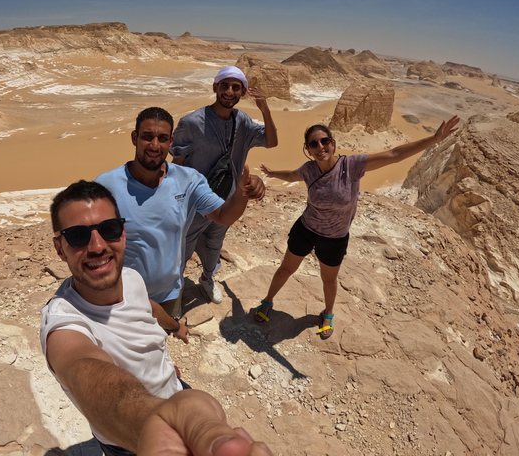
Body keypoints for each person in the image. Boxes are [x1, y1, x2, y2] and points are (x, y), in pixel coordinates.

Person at [40, 181, 272, 456]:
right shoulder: (62, 322)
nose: (98, 246)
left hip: (174, 389)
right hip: (127, 439)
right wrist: (153, 420)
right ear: (59, 248)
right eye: (78, 236)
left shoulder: (130, 277)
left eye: (109, 229)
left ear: (123, 234)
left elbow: (148, 307)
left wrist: (175, 328)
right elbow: (82, 368)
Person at [255, 116, 460, 339]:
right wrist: (273, 174)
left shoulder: (351, 166)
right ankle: (267, 301)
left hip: (335, 238)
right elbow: (293, 175)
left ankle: (328, 313)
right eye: (314, 144)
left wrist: (434, 139)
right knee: (286, 269)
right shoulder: (309, 170)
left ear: (332, 143)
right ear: (308, 150)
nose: (320, 147)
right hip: (306, 229)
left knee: (329, 280)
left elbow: (394, 155)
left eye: (324, 141)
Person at [96, 107, 264, 322]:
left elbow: (223, 216)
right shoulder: (105, 186)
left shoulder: (188, 180)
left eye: (162, 138)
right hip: (121, 297)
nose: (155, 146)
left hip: (169, 294)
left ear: (171, 142)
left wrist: (242, 193)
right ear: (134, 138)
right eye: (147, 137)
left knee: (160, 341)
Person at [171, 66, 277, 303]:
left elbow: (271, 141)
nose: (229, 91)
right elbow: (175, 167)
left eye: (236, 87)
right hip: (195, 204)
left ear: (242, 93)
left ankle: (207, 278)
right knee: (181, 252)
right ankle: (173, 294)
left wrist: (265, 109)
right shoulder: (192, 123)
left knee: (214, 245)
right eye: (224, 86)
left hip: (227, 202)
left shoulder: (244, 122)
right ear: (215, 88)